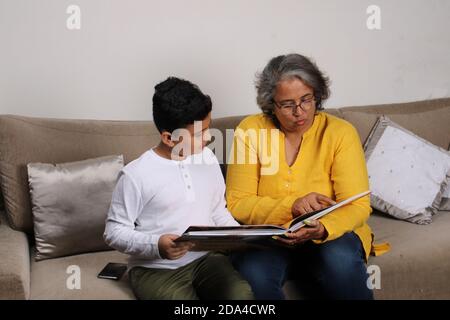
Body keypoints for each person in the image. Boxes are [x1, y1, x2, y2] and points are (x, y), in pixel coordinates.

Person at [226, 53, 378, 300]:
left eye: (307, 99)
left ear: (317, 95)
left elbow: (358, 204)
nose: (300, 112)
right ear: (271, 104)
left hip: (331, 234)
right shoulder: (250, 130)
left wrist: (322, 228)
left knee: (339, 261)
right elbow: (237, 203)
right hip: (270, 236)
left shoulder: (340, 133)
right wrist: (292, 206)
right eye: (287, 104)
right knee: (253, 273)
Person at [104, 77, 254, 300]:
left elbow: (217, 211)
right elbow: (113, 232)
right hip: (156, 270)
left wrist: (239, 236)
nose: (209, 137)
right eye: (198, 134)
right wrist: (156, 245)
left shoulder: (207, 157)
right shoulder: (136, 174)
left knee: (241, 295)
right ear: (168, 138)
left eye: (208, 128)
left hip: (206, 260)